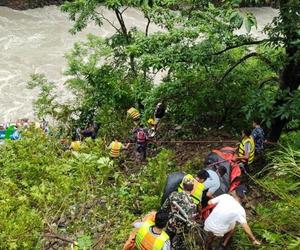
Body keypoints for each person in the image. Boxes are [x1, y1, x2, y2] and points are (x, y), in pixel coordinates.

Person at [204, 185, 261, 250]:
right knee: (234, 224)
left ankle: (208, 244)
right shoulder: (240, 210)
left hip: (208, 224)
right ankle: (224, 244)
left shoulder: (225, 196)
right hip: (219, 231)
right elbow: (245, 227)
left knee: (212, 233)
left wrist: (218, 203)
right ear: (243, 197)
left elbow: (209, 202)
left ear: (234, 192)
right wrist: (253, 240)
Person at [161, 176, 197, 249]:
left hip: (170, 223)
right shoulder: (193, 205)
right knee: (175, 246)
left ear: (183, 186)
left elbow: (164, 208)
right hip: (179, 230)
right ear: (192, 189)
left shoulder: (174, 194)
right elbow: (188, 223)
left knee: (164, 240)